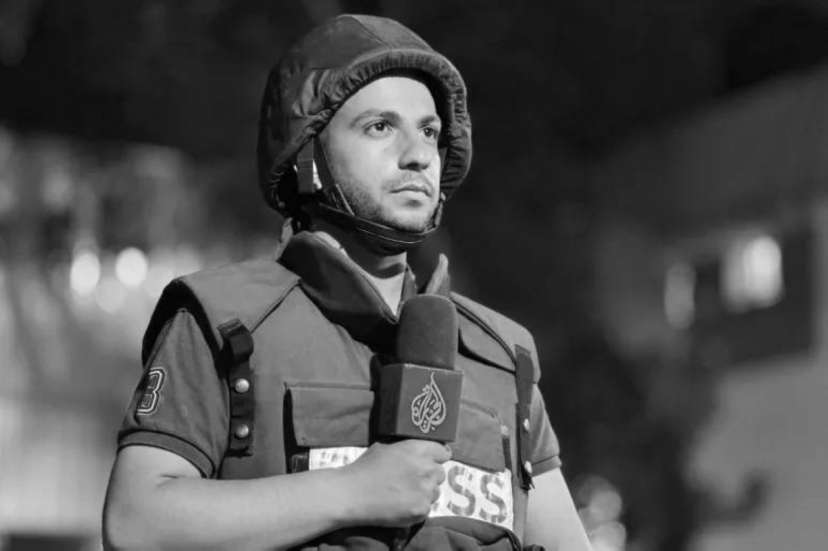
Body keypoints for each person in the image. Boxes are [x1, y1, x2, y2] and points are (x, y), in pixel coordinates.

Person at [103, 14, 592, 551]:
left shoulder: (503, 356)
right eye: (380, 127)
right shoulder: (224, 320)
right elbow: (136, 524)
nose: (419, 155)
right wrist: (353, 490)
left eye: (429, 132)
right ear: (306, 154)